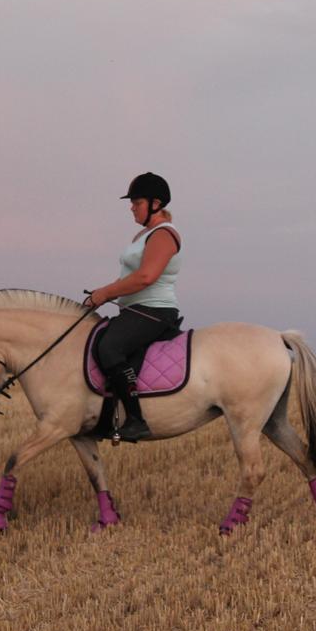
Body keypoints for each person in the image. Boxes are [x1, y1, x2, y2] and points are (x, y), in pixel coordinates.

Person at [85, 172, 183, 442]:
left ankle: (137, 420)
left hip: (154, 310)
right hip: (135, 309)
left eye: (136, 202)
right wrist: (100, 294)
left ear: (155, 203)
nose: (131, 207)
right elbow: (128, 277)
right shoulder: (144, 234)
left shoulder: (164, 234)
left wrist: (106, 292)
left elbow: (145, 277)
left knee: (109, 347)